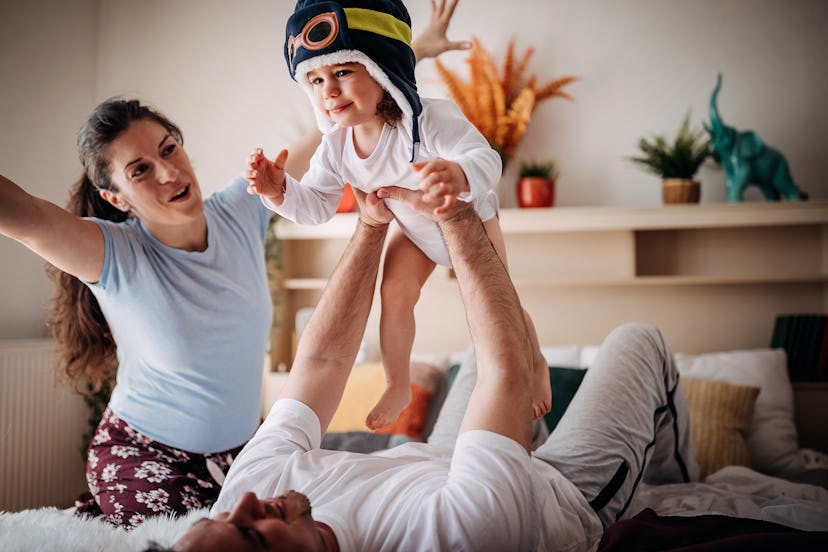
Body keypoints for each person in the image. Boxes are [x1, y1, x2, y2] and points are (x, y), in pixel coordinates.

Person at [0, 3, 468, 530]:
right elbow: (24, 216)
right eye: (140, 170)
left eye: (169, 148)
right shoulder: (111, 254)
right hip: (147, 457)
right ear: (118, 198)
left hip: (246, 448)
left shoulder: (241, 207)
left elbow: (334, 136)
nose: (169, 171)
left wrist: (409, 54)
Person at [167, 186, 699, 552]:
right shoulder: (454, 536)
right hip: (558, 491)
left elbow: (323, 362)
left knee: (477, 351)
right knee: (639, 339)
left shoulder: (248, 492)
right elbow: (505, 374)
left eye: (222, 517)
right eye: (255, 535)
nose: (249, 505)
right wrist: (456, 212)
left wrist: (372, 223)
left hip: (448, 458)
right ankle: (675, 484)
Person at [245, 0, 552, 430]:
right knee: (395, 293)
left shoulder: (430, 120)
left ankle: (535, 362)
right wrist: (279, 192)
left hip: (472, 226)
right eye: (314, 79)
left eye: (342, 72)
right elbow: (316, 206)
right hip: (414, 232)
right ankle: (398, 382)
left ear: (383, 70)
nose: (328, 90)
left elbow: (487, 160)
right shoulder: (335, 147)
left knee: (500, 302)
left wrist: (459, 173)